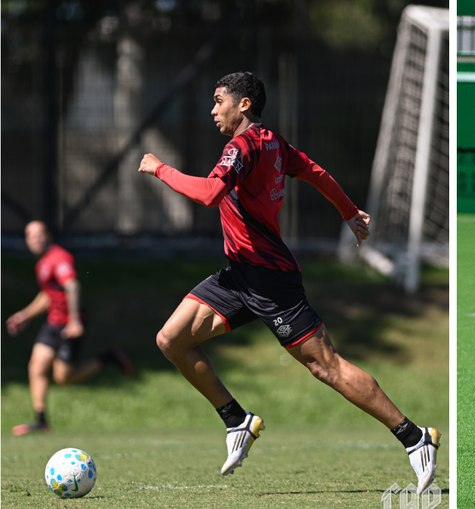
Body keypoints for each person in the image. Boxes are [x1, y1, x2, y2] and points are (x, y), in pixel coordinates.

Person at [136, 71, 440, 493]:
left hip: (271, 281)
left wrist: (159, 168)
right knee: (171, 339)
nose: (212, 109)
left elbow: (209, 193)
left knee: (326, 366)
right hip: (238, 275)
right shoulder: (273, 143)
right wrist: (348, 211)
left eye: (219, 99)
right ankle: (236, 419)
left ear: (244, 105)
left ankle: (414, 437)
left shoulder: (241, 147)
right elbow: (315, 171)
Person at [5, 220, 133, 436]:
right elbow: (48, 295)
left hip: (69, 324)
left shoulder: (59, 257)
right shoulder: (42, 263)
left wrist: (74, 321)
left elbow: (72, 285)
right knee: (36, 366)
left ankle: (109, 358)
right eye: (30, 236)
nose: (35, 239)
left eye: (39, 234)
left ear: (48, 235)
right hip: (53, 323)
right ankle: (41, 420)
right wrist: (24, 315)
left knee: (64, 378)